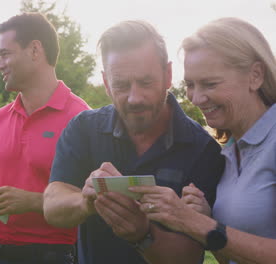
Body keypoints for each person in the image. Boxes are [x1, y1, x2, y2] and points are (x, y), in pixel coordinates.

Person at [43, 20, 225, 264]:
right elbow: (52, 207)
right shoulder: (83, 129)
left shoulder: (202, 149)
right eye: (121, 85)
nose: (134, 97)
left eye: (146, 83)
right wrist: (84, 201)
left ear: (168, 75)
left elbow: (190, 257)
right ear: (106, 83)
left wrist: (143, 233)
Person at [131, 17, 276, 264]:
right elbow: (230, 253)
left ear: (255, 76)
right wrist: (206, 218)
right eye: (190, 85)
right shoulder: (229, 151)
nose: (196, 98)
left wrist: (196, 223)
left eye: (210, 84)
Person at [0, 12, 90, 264]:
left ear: (35, 50)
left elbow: (92, 201)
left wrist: (35, 201)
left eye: (5, 54)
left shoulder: (81, 118)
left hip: (51, 255)